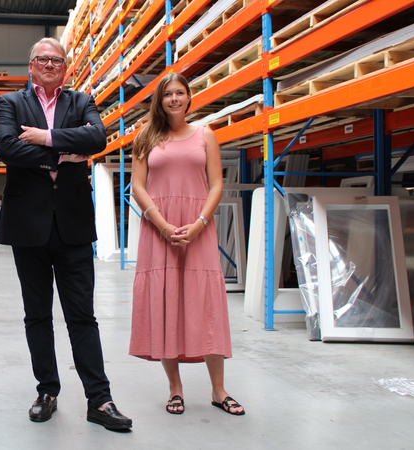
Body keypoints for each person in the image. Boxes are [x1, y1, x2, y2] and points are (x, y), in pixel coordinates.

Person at [0, 37, 132, 431]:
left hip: (73, 224)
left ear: (65, 67)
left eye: (56, 59)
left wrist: (44, 137)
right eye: (42, 59)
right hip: (28, 225)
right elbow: (5, 146)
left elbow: (97, 138)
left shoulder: (82, 101)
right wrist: (65, 153)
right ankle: (47, 391)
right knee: (37, 314)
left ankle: (99, 400)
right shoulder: (10, 103)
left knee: (82, 315)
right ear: (31, 65)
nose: (49, 64)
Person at [129, 72, 245, 416]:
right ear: (159, 100)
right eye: (168, 94)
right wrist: (162, 225)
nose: (174, 99)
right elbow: (138, 186)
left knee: (207, 304)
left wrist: (200, 223)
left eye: (180, 92)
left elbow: (216, 184)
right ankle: (175, 389)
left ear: (189, 97)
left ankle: (219, 390)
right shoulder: (145, 136)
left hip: (198, 229)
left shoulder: (205, 135)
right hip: (159, 229)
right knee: (165, 301)